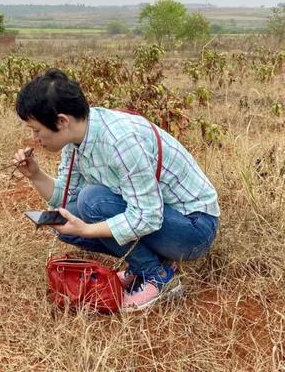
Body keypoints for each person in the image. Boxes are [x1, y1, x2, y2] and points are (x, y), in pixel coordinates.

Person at [13, 68, 219, 310]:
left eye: (37, 130)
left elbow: (148, 216)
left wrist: (89, 230)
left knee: (92, 202)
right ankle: (146, 264)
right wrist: (35, 175)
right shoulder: (76, 140)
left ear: (62, 121)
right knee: (66, 219)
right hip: (163, 219)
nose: (35, 138)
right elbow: (67, 196)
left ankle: (157, 276)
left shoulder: (120, 142)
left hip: (194, 228)